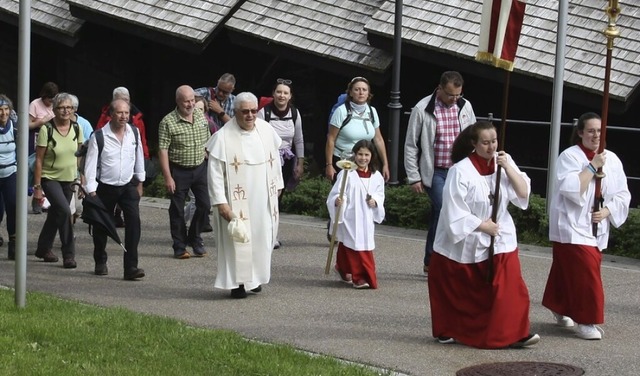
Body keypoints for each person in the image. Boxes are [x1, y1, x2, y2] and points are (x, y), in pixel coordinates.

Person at [427, 121, 539, 349]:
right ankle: (451, 329)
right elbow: (452, 210)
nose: (491, 147)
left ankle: (515, 331)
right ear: (474, 144)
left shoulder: (503, 162)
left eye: (494, 142)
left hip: (500, 235)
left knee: (510, 285)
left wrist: (508, 167)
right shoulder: (460, 170)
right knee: (461, 292)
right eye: (485, 143)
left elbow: (523, 192)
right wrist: (481, 225)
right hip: (468, 236)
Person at [542, 112, 630, 341]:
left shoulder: (612, 158)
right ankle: (586, 319)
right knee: (585, 273)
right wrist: (592, 167)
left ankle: (558, 305)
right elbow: (570, 189)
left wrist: (607, 211)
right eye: (590, 130)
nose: (595, 135)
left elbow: (622, 193)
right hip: (571, 225)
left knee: (567, 271)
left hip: (596, 226)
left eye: (599, 131)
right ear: (580, 132)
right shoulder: (569, 157)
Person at [205, 92, 283, 299]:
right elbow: (214, 175)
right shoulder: (222, 138)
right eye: (245, 111)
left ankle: (254, 279)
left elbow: (275, 161)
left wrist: (278, 186)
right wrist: (221, 203)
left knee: (261, 238)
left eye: (253, 111)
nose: (250, 115)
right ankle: (238, 283)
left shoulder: (266, 131)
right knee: (238, 240)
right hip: (235, 201)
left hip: (263, 198)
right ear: (235, 112)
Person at [404, 71, 476, 275]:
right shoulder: (422, 108)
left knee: (440, 214)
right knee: (448, 210)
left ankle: (431, 260)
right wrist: (414, 176)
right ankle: (445, 261)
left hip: (459, 170)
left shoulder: (465, 106)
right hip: (435, 171)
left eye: (458, 95)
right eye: (450, 95)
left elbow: (473, 137)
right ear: (440, 89)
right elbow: (411, 144)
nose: (454, 99)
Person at [84, 99, 146, 280]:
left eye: (126, 113)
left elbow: (139, 157)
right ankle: (100, 260)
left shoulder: (134, 133)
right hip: (105, 187)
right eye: (120, 113)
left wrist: (139, 183)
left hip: (127, 186)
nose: (124, 116)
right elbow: (90, 165)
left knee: (134, 224)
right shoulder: (99, 136)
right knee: (101, 226)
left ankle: (131, 268)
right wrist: (91, 191)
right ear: (111, 114)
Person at [158, 85, 211, 259]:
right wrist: (168, 177)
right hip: (179, 170)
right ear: (178, 102)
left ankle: (194, 238)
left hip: (200, 167)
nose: (190, 104)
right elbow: (163, 150)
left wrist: (208, 151)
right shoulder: (167, 122)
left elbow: (208, 136)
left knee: (205, 205)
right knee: (177, 210)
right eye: (186, 101)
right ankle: (179, 246)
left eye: (192, 100)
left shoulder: (199, 114)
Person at [32, 92, 84, 268]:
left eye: (68, 107)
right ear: (54, 110)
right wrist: (37, 187)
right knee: (64, 211)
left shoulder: (77, 128)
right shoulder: (47, 129)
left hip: (69, 179)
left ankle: (43, 248)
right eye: (61, 107)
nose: (65, 111)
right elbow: (38, 159)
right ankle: (69, 254)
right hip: (50, 178)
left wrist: (81, 178)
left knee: (55, 214)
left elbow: (79, 156)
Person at [327, 139, 385, 289]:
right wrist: (338, 200)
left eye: (366, 154)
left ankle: (342, 267)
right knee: (353, 244)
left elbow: (380, 193)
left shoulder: (376, 176)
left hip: (366, 215)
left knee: (356, 244)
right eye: (360, 154)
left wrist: (376, 201)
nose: (363, 158)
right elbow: (337, 193)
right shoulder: (347, 174)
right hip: (350, 216)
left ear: (372, 156)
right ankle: (360, 276)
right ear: (354, 154)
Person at [257, 78, 304, 248]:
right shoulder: (264, 113)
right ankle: (262, 233)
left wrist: (300, 163)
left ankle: (272, 234)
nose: (281, 95)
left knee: (278, 198)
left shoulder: (295, 114)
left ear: (290, 96)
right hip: (267, 160)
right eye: (279, 92)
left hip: (286, 161)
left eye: (285, 93)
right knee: (265, 197)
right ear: (273, 94)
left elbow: (299, 140)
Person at [96, 87, 150, 227]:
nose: (124, 105)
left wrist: (144, 156)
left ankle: (121, 216)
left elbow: (141, 139)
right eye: (120, 101)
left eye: (126, 101)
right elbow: (98, 137)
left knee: (132, 211)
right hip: (109, 170)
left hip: (130, 166)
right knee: (104, 214)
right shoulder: (106, 117)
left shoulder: (137, 119)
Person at [325, 76, 389, 182]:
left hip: (365, 160)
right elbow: (331, 139)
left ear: (368, 93)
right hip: (344, 161)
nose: (361, 92)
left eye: (364, 90)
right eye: (357, 89)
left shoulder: (372, 112)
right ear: (350, 93)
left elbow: (378, 139)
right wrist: (329, 164)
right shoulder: (341, 111)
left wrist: (385, 164)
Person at [184, 96, 214, 233]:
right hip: (186, 167)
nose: (198, 112)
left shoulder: (209, 124)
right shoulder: (182, 123)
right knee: (195, 199)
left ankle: (188, 222)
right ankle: (191, 227)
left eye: (201, 110)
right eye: (196, 109)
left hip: (205, 166)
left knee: (202, 201)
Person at [29, 81, 59, 214]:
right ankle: (36, 198)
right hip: (37, 137)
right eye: (48, 100)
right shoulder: (35, 104)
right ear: (44, 96)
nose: (50, 103)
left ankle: (49, 201)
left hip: (53, 139)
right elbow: (27, 124)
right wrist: (41, 121)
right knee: (38, 167)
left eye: (53, 100)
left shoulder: (57, 105)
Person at [69, 94, 93, 223]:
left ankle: (68, 229)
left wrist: (84, 178)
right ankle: (67, 236)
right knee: (68, 208)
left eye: (70, 108)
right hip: (62, 173)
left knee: (78, 208)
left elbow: (88, 151)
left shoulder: (84, 125)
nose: (66, 111)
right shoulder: (52, 124)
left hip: (79, 171)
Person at [0, 94, 17, 260]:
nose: (3, 113)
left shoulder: (15, 127)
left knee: (13, 206)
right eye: (0, 110)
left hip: (10, 173)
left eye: (6, 109)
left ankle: (13, 243)